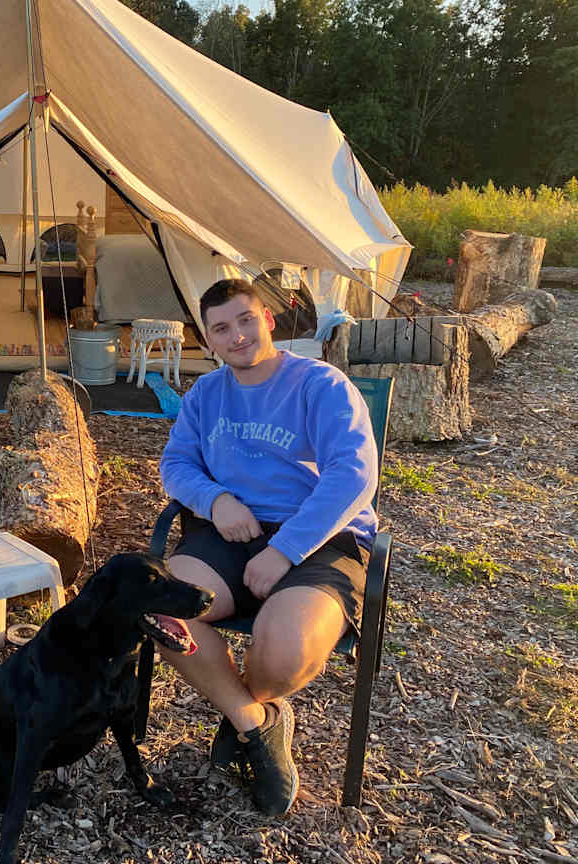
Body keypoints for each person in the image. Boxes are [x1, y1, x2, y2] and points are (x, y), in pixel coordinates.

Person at [155, 277, 377, 816]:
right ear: (208, 341)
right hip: (233, 532)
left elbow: (353, 475)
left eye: (245, 320)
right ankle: (255, 723)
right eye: (221, 329)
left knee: (282, 656)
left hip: (320, 537)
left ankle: (254, 702)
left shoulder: (320, 385)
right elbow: (176, 465)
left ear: (268, 320)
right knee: (160, 611)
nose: (237, 336)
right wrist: (217, 501)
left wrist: (286, 550)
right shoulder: (205, 395)